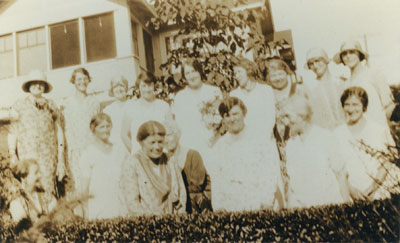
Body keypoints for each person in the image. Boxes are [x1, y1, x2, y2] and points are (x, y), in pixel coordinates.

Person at [210, 97, 280, 212]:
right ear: (223, 119)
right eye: (227, 115)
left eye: (235, 114)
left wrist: (266, 202)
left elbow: (270, 172)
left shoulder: (260, 140)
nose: (232, 119)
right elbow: (217, 180)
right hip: (231, 207)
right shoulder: (219, 147)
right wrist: (218, 207)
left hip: (258, 204)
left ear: (244, 114)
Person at [8, 70, 65, 210]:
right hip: (28, 155)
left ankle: (50, 225)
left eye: (41, 84)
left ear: (45, 87)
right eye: (34, 83)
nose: (37, 86)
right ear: (28, 86)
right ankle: (31, 224)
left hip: (48, 157)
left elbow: (59, 131)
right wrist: (12, 154)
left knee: (47, 188)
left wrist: (61, 158)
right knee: (29, 188)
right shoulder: (18, 106)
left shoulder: (51, 105)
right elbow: (12, 132)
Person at [282, 95, 351, 208]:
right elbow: (291, 182)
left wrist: (347, 206)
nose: (285, 122)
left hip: (329, 205)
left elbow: (341, 174)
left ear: (301, 116)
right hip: (302, 208)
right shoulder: (291, 144)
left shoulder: (325, 136)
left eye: (288, 116)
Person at [335, 87, 400, 200]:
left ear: (364, 106)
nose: (351, 109)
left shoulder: (378, 130)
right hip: (350, 195)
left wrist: (371, 189)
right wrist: (351, 191)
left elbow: (386, 164)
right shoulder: (337, 134)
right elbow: (338, 169)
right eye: (347, 104)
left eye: (355, 104)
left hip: (378, 193)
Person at [120, 120, 186, 216]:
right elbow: (132, 202)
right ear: (141, 143)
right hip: (146, 224)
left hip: (173, 220)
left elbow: (181, 192)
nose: (157, 147)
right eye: (152, 142)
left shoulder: (170, 160)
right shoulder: (133, 163)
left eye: (160, 142)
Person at [60, 67, 100, 206]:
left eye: (84, 79)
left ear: (88, 80)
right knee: (78, 185)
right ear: (73, 81)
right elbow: (65, 129)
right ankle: (81, 220)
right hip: (75, 149)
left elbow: (98, 127)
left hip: (91, 148)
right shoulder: (67, 103)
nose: (82, 82)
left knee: (93, 184)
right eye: (79, 79)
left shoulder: (94, 102)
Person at [333, 40, 394, 125]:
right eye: (344, 54)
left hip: (377, 127)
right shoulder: (345, 84)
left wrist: (381, 126)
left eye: (352, 52)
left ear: (359, 55)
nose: (348, 56)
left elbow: (389, 106)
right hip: (357, 131)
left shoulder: (374, 75)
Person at [172, 59, 221, 161]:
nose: (192, 76)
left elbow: (222, 121)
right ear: (184, 77)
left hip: (212, 145)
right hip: (190, 147)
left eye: (194, 71)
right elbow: (178, 126)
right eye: (187, 73)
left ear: (199, 71)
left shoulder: (213, 92)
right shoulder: (180, 97)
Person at [79, 113, 125, 219]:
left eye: (108, 126)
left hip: (117, 201)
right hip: (98, 203)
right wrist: (85, 211)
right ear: (94, 129)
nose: (105, 130)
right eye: (101, 127)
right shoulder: (88, 153)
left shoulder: (118, 150)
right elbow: (84, 187)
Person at [164, 120, 212, 213]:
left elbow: (198, 187)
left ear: (177, 135)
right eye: (163, 137)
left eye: (169, 135)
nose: (166, 140)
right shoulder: (163, 160)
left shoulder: (193, 155)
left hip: (194, 210)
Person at [121, 71, 172, 154]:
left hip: (162, 154)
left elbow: (171, 131)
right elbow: (123, 135)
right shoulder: (131, 108)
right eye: (143, 86)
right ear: (138, 87)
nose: (147, 89)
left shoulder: (163, 106)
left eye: (149, 85)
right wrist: (135, 152)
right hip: (140, 158)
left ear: (154, 86)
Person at [230, 57, 276, 136]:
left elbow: (271, 116)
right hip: (243, 138)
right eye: (235, 73)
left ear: (248, 71)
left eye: (239, 72)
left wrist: (265, 134)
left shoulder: (265, 90)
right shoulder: (234, 94)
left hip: (265, 136)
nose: (237, 76)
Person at [304, 48, 344, 129]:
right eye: (311, 64)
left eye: (317, 61)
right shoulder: (311, 89)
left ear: (326, 61)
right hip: (327, 133)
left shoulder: (340, 82)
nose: (315, 66)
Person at [103, 76, 131, 153]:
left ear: (126, 88)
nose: (119, 89)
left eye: (121, 86)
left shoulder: (135, 106)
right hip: (116, 150)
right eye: (115, 87)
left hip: (134, 148)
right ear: (112, 90)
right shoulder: (107, 111)